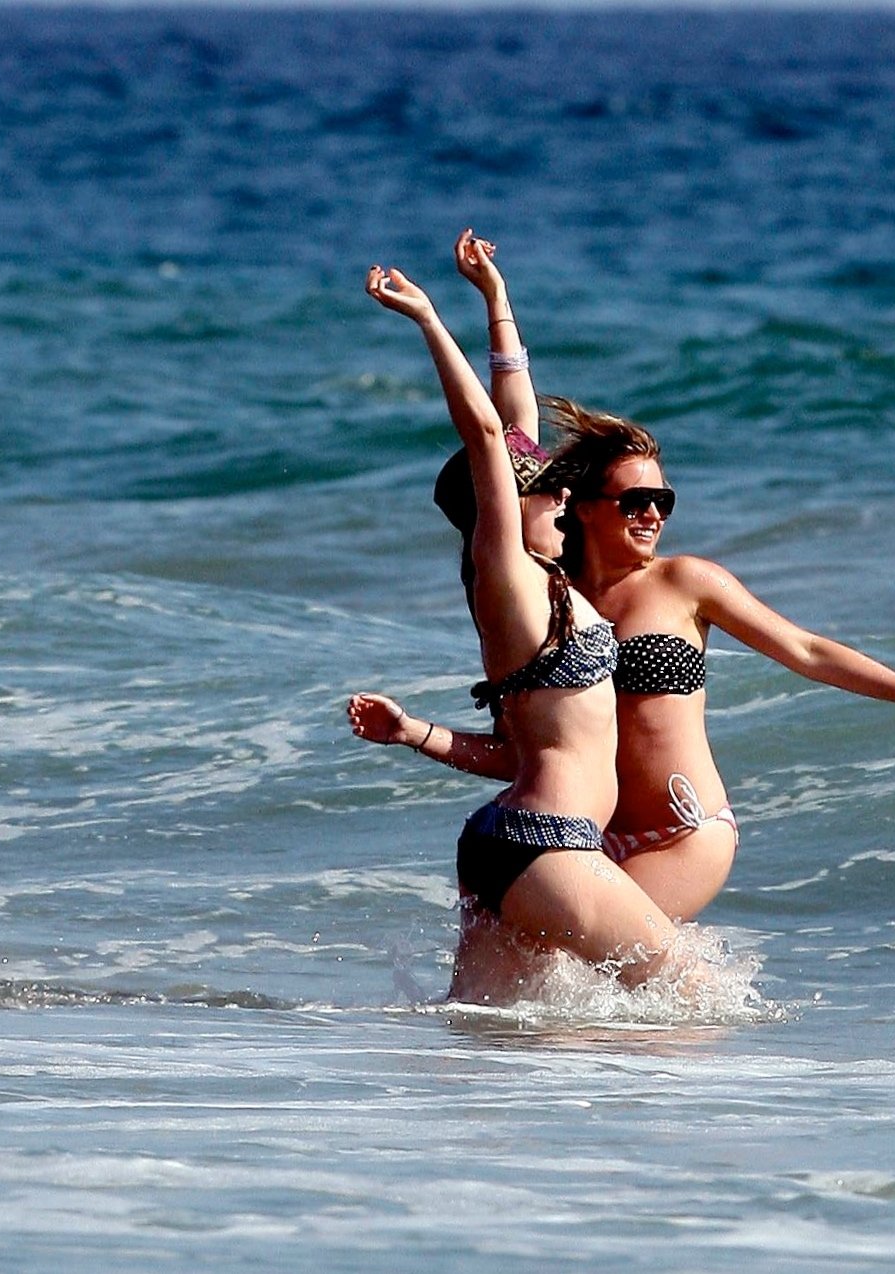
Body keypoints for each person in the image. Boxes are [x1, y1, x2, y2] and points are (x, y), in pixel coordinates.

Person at [350, 232, 895, 925]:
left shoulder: (685, 582)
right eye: (635, 501)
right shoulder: (554, 598)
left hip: (683, 831)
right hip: (584, 840)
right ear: (582, 505)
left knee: (633, 975)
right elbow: (509, 444)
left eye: (663, 500)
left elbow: (806, 651)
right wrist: (416, 733)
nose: (653, 514)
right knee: (570, 987)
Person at [356, 248, 694, 1002]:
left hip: (513, 843)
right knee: (694, 996)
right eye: (545, 491)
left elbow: (514, 423)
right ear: (501, 509)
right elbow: (487, 435)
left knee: (492, 1043)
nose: (564, 497)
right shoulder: (507, 575)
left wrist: (496, 299)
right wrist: (428, 319)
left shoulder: (547, 586)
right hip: (545, 847)